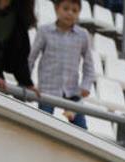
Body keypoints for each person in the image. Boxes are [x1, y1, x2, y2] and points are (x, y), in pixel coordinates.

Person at [28, 0, 94, 130]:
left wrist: (86, 85)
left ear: (79, 13)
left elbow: (89, 65)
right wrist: (27, 81)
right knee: (44, 127)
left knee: (81, 130)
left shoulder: (83, 35)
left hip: (72, 91)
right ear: (56, 9)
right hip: (47, 90)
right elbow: (31, 58)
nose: (70, 13)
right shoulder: (44, 31)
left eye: (74, 10)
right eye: (66, 8)